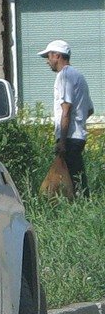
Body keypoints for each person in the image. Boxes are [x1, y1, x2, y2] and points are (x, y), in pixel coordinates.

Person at [39, 39, 94, 197]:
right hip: (78, 136)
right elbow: (90, 110)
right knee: (76, 177)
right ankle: (83, 204)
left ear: (57, 55)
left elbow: (66, 109)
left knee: (73, 182)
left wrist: (62, 141)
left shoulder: (64, 76)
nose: (47, 61)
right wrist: (78, 122)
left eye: (49, 56)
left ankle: (82, 205)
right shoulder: (79, 76)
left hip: (68, 137)